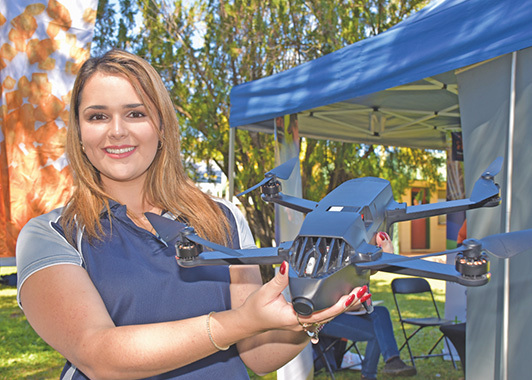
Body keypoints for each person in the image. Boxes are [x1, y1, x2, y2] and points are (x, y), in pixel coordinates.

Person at [15, 49, 372, 380]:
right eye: (97, 116)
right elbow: (99, 355)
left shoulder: (223, 218)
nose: (117, 130)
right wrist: (236, 323)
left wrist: (316, 305)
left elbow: (258, 355)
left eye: (135, 113)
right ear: (78, 132)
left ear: (162, 125)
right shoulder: (51, 234)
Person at [319, 232, 416, 380]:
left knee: (381, 312)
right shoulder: (322, 264)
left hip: (347, 312)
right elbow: (330, 303)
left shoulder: (348, 260)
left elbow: (366, 274)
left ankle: (392, 360)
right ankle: (369, 375)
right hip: (325, 319)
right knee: (377, 332)